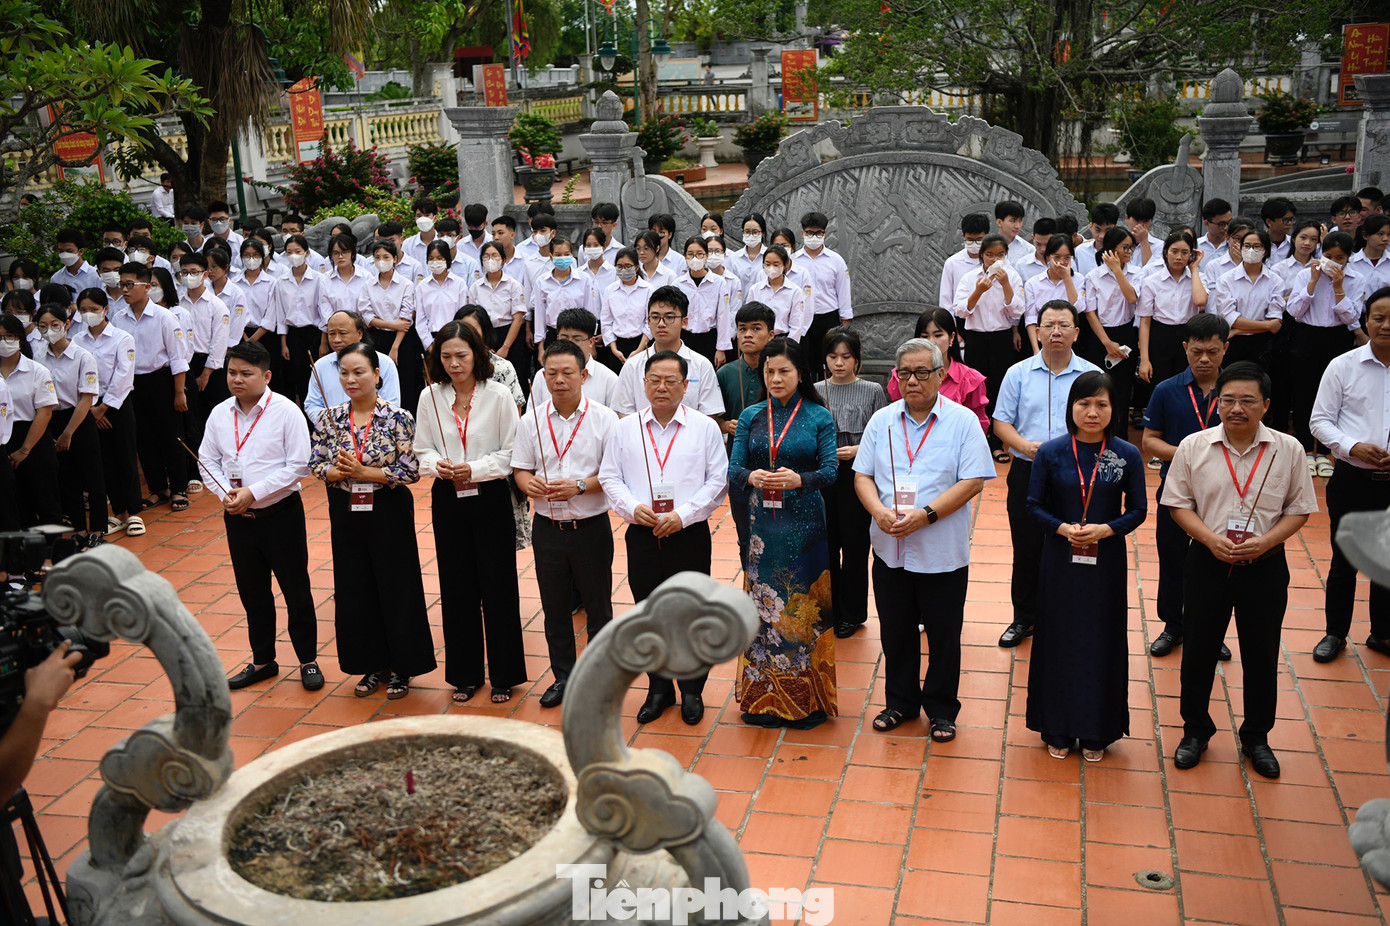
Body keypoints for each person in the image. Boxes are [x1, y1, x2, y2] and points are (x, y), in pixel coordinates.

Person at [1164, 361, 1317, 779]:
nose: (1237, 408)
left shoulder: (1289, 449)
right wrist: (1211, 539)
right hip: (1206, 562)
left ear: (1266, 405)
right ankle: (1195, 730)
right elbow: (1177, 503)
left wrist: (1267, 541)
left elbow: (1300, 508)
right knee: (1198, 649)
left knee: (1261, 653)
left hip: (1264, 565)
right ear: (1217, 404)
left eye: (1248, 400)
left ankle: (1256, 737)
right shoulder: (1194, 446)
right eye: (1229, 399)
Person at [853, 337, 993, 737]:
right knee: (896, 631)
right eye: (905, 373)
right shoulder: (882, 421)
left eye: (922, 372)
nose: (912, 380)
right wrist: (878, 511)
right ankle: (899, 703)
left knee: (944, 635)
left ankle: (942, 709)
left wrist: (927, 515)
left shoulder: (962, 421)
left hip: (940, 550)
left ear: (941, 374)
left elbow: (973, 481)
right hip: (889, 547)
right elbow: (862, 475)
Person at [598, 350, 729, 724]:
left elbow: (717, 481)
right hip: (642, 533)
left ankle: (691, 690)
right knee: (648, 613)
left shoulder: (704, 427)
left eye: (671, 381)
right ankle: (659, 689)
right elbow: (610, 477)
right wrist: (631, 507)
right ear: (643, 384)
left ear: (686, 386)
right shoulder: (625, 428)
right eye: (654, 380)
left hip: (688, 534)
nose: (662, 387)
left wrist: (682, 515)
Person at [1026, 371, 1147, 761]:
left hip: (1105, 560)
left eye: (1101, 404)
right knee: (1058, 636)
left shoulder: (1126, 454)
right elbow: (1033, 505)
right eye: (1084, 404)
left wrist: (1106, 529)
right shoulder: (1051, 452)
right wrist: (1062, 528)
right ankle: (1057, 725)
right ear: (1071, 408)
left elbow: (1140, 510)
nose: (1092, 412)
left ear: (1114, 409)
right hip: (1059, 559)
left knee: (1101, 638)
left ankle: (1098, 729)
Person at [309, 342, 436, 700]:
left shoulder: (398, 418)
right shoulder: (329, 419)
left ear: (377, 375)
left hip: (388, 508)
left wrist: (367, 471)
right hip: (346, 508)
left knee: (396, 585)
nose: (351, 379)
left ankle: (402, 667)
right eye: (344, 373)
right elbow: (315, 463)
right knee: (355, 587)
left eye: (359, 372)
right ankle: (370, 664)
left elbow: (411, 471)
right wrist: (336, 472)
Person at [196, 340, 322, 691]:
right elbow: (206, 461)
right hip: (238, 517)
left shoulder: (285, 411)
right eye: (232, 372)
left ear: (266, 375)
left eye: (246, 374)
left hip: (280, 515)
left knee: (296, 590)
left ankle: (308, 659)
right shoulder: (220, 413)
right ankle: (263, 660)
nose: (237, 379)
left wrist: (254, 492)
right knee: (253, 593)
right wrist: (227, 495)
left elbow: (299, 465)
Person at [413, 321, 526, 704]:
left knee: (498, 585)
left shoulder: (497, 396)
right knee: (456, 585)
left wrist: (474, 469)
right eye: (446, 357)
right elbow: (421, 449)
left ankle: (505, 674)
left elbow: (512, 453)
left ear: (477, 355)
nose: (454, 364)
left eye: (461, 355)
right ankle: (465, 673)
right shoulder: (430, 397)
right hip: (448, 495)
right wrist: (437, 465)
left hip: (490, 495)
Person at [729, 337, 838, 727]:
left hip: (806, 524)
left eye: (784, 371)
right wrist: (750, 475)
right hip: (764, 529)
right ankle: (763, 702)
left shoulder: (819, 416)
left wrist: (800, 479)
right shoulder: (751, 416)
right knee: (762, 611)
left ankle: (806, 701)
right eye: (769, 371)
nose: (775, 378)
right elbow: (733, 468)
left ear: (801, 374)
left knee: (802, 612)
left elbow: (830, 471)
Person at [512, 339, 619, 708]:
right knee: (555, 609)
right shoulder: (532, 420)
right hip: (548, 530)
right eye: (551, 373)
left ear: (584, 375)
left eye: (567, 373)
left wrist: (578, 486)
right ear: (543, 376)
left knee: (599, 609)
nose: (559, 380)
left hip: (590, 528)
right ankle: (564, 677)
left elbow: (613, 475)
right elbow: (521, 470)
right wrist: (531, 486)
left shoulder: (605, 419)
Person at [993, 300, 1101, 647]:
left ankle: (1070, 618)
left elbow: (1103, 423)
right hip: (1029, 471)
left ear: (1076, 333)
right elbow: (1001, 422)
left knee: (1076, 545)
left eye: (1064, 325)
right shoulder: (1018, 373)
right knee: (1026, 548)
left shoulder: (1091, 376)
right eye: (1049, 325)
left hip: (1076, 474)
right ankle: (1024, 618)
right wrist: (1024, 447)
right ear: (1036, 332)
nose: (1056, 332)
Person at [1141, 314, 1233, 661]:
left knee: (1218, 564)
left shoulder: (1235, 390)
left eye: (1212, 351)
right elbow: (1150, 442)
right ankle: (1173, 625)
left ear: (1225, 349)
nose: (1204, 359)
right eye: (1197, 351)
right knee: (1173, 559)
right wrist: (1192, 454)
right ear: (1185, 349)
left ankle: (1212, 631)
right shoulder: (1166, 390)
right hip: (1176, 493)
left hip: (1225, 495)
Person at [1310, 286, 1390, 662]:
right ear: (1366, 320)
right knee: (1345, 561)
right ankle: (1335, 633)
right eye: (1379, 317)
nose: (1386, 325)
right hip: (1353, 478)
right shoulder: (1343, 365)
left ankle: (1383, 632)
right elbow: (1319, 421)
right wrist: (1352, 447)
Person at [815, 329, 887, 638]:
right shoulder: (816, 390)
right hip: (824, 473)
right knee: (826, 543)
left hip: (859, 473)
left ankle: (853, 613)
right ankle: (826, 609)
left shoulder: (872, 390)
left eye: (846, 357)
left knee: (856, 545)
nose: (839, 363)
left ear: (857, 358)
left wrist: (858, 449)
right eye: (833, 357)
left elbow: (884, 433)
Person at [110, 262, 189, 511]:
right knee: (143, 438)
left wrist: (179, 392)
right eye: (121, 284)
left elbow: (178, 357)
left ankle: (178, 488)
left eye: (130, 285)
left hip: (161, 380)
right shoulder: (118, 318)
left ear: (146, 287)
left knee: (169, 436)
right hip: (133, 383)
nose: (124, 290)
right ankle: (158, 488)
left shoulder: (165, 317)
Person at [1287, 231, 1365, 475]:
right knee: (1304, 393)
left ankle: (1325, 450)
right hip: (1306, 336)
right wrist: (1312, 282)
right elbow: (1295, 311)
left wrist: (1339, 287)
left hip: (1337, 338)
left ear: (1348, 258)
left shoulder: (1357, 279)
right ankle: (1304, 449)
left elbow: (1352, 317)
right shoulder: (1304, 274)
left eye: (1339, 258)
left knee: (1335, 395)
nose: (1333, 262)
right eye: (1328, 256)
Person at [34, 303, 106, 547]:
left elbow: (86, 398)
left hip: (78, 419)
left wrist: (68, 433)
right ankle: (79, 529)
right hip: (50, 419)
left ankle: (97, 528)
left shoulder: (83, 356)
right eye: (43, 326)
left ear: (66, 325)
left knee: (92, 475)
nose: (49, 331)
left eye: (55, 325)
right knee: (67, 479)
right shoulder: (39, 356)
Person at [73, 289, 141, 537]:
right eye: (83, 310)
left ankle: (134, 512)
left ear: (105, 310)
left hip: (117, 404)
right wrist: (91, 409)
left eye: (93, 309)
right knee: (103, 462)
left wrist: (104, 408)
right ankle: (118, 511)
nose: (88, 314)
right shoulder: (77, 341)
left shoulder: (121, 338)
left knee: (125, 457)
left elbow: (124, 374)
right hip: (88, 406)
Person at [954, 233, 1024, 459]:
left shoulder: (1011, 276)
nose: (994, 261)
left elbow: (1017, 311)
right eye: (989, 255)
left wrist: (1005, 285)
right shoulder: (969, 278)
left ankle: (996, 442)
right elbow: (960, 311)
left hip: (1001, 338)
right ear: (982, 256)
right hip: (975, 338)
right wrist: (979, 291)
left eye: (1000, 255)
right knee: (974, 390)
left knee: (998, 390)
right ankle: (974, 442)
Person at [613, 286, 724, 418]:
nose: (661, 324)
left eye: (669, 317)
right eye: (655, 317)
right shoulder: (632, 365)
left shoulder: (701, 365)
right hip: (642, 437)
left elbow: (709, 415)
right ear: (648, 321)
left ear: (684, 322)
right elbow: (624, 412)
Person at [0, 313, 62, 527]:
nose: (4, 343)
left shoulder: (37, 371)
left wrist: (25, 449)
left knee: (45, 499)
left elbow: (44, 412)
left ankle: (51, 553)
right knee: (14, 502)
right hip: (4, 440)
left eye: (8, 337)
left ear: (19, 338)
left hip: (34, 438)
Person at [1079, 227, 1141, 436]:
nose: (1129, 252)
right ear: (1111, 249)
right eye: (1124, 248)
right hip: (1100, 336)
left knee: (1123, 389)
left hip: (1127, 333)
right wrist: (1106, 342)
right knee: (1098, 386)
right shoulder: (1093, 276)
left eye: (1131, 248)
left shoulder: (1136, 273)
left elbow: (1132, 298)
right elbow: (1090, 313)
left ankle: (1119, 435)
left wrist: (1117, 270)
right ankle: (1096, 433)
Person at [890, 307, 989, 432]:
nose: (931, 342)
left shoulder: (970, 380)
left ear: (952, 337)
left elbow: (978, 424)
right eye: (925, 336)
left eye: (938, 335)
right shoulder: (900, 376)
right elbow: (897, 416)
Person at [304, 310, 402, 424]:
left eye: (342, 333)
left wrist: (361, 427)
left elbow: (392, 404)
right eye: (331, 334)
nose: (336, 339)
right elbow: (312, 404)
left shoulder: (384, 363)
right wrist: (333, 424)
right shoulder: (320, 366)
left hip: (373, 435)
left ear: (359, 333)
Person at [1138, 232, 1208, 390]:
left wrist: (1194, 269)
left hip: (1189, 334)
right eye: (1174, 251)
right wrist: (1144, 359)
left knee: (1188, 385)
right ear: (1165, 252)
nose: (1179, 257)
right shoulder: (1151, 282)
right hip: (1160, 336)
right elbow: (1145, 321)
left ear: (1192, 254)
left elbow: (1200, 301)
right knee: (1161, 386)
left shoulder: (1199, 278)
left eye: (1185, 253)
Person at [359, 239, 421, 411]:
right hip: (376, 337)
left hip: (403, 339)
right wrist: (393, 325)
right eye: (377, 257)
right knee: (379, 380)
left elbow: (406, 318)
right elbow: (367, 316)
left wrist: (395, 348)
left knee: (406, 381)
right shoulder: (368, 285)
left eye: (385, 257)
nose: (381, 261)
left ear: (394, 259)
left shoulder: (406, 284)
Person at [1212, 227, 1284, 369]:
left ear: (1265, 250)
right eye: (1247, 246)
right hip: (1233, 343)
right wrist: (1267, 325)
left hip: (1264, 344)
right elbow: (1229, 317)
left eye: (1257, 246)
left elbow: (1275, 321)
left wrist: (1239, 329)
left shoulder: (1276, 281)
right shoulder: (1226, 280)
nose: (1251, 250)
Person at [792, 212, 852, 377]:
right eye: (810, 233)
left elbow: (843, 292)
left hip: (828, 319)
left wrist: (844, 325)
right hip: (803, 320)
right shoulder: (793, 261)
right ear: (803, 233)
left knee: (829, 362)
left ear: (825, 234)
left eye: (818, 233)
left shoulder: (835, 260)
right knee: (805, 364)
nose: (814, 237)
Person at [274, 234, 329, 406]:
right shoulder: (281, 281)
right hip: (293, 335)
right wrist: (284, 343)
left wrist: (323, 341)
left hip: (314, 333)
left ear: (306, 253)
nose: (294, 256)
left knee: (315, 378)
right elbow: (281, 314)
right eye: (289, 252)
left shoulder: (319, 279)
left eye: (298, 251)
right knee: (295, 378)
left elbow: (323, 312)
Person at [529, 307, 619, 408]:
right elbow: (533, 417)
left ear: (591, 342)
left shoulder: (609, 379)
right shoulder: (542, 376)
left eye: (577, 339)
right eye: (564, 338)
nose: (569, 344)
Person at [530, 236, 600, 360]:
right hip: (553, 334)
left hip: (579, 334)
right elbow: (539, 316)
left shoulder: (584, 279)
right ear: (551, 257)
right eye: (558, 254)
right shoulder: (542, 282)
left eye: (566, 254)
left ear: (572, 256)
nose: (562, 258)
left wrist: (591, 344)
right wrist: (541, 347)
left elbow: (590, 312)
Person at [675, 235, 734, 365]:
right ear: (685, 257)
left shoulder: (719, 283)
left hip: (709, 338)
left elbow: (723, 316)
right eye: (690, 254)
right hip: (685, 338)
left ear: (706, 256)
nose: (695, 258)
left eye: (699, 254)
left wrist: (721, 348)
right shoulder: (678, 284)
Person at [599, 247, 654, 373]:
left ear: (636, 267)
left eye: (628, 266)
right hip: (617, 345)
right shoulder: (610, 290)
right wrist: (614, 349)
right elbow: (606, 321)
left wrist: (639, 349)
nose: (624, 270)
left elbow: (650, 322)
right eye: (620, 266)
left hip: (641, 343)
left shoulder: (648, 289)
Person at [1023, 235, 1080, 354]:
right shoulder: (1033, 284)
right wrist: (1036, 348)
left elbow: (1078, 308)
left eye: (1067, 258)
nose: (1062, 262)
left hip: (1071, 339)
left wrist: (1066, 278)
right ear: (1048, 257)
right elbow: (1031, 319)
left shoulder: (1079, 280)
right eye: (1057, 257)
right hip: (1043, 337)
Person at [743, 245, 808, 342]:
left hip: (783, 339)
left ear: (785, 264)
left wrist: (788, 347)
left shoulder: (795, 291)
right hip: (758, 338)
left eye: (776, 264)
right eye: (767, 264)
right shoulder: (755, 289)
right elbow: (748, 317)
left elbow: (796, 325)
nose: (771, 268)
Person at [416, 238, 471, 350]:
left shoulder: (459, 284)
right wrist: (430, 345)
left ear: (447, 259)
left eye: (439, 258)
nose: (435, 262)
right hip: (431, 339)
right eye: (431, 259)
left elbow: (462, 316)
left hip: (455, 337)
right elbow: (420, 321)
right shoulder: (422, 287)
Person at [52, 228, 101, 296]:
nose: (64, 255)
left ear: (81, 251)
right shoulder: (56, 278)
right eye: (61, 251)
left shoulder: (96, 276)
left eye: (69, 251)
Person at [727, 213, 768, 294]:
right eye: (747, 232)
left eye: (755, 232)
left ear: (763, 233)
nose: (751, 235)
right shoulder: (734, 258)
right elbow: (730, 285)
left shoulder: (769, 256)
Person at [1125, 198, 1165, 272]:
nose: (1140, 225)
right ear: (1127, 218)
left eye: (1145, 221)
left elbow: (1151, 273)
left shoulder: (1160, 246)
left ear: (1151, 221)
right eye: (1136, 220)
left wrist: (1144, 241)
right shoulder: (1117, 241)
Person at [1195, 198, 1234, 263]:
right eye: (1221, 224)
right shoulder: (1196, 246)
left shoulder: (1234, 247)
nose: (1226, 227)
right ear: (1206, 223)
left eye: (1229, 222)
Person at [1262, 197, 1297, 263]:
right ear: (1269, 222)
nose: (1290, 223)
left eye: (1291, 219)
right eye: (1286, 220)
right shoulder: (1258, 244)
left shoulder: (1295, 245)